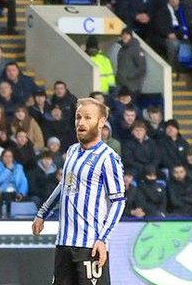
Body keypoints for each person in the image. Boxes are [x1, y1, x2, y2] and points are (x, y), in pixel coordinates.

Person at [32, 98, 126, 285]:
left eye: (88, 118)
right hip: (64, 243)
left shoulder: (108, 158)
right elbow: (64, 186)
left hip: (90, 245)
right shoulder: (73, 151)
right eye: (78, 117)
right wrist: (42, 213)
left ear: (100, 123)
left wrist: (103, 239)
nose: (81, 122)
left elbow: (119, 201)